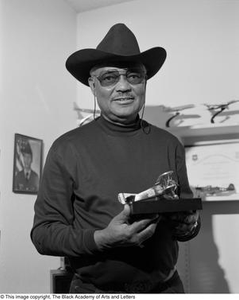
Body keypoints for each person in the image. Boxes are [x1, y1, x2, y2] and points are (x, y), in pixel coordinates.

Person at [31, 23, 200, 293]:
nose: (123, 86)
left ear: (144, 83)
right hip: (95, 292)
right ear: (93, 85)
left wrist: (190, 224)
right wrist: (102, 239)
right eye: (110, 77)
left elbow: (186, 221)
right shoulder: (67, 148)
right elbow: (43, 235)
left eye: (134, 76)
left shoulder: (170, 144)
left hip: (167, 288)